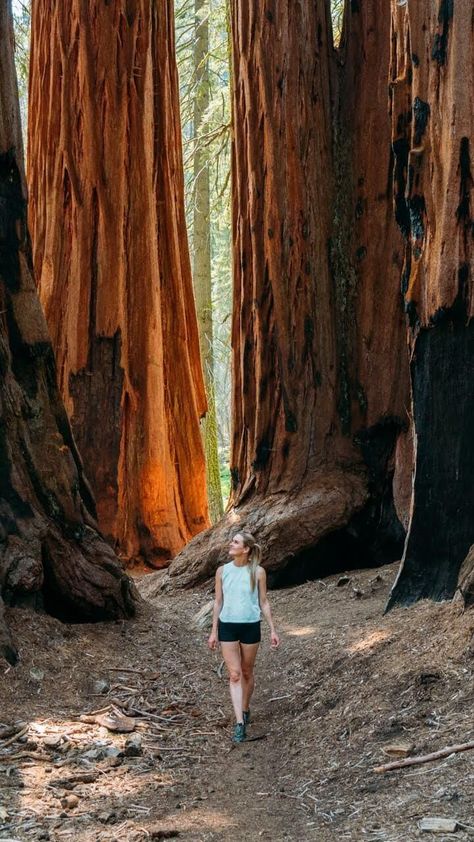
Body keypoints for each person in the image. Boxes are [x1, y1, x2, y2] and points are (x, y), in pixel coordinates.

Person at [207, 530, 280, 743]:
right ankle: (240, 723)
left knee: (247, 671)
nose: (231, 544)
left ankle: (245, 708)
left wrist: (273, 629)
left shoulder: (257, 572)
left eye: (235, 542)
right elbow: (218, 602)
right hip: (227, 626)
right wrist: (214, 631)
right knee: (235, 674)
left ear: (246, 549)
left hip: (250, 626)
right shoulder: (222, 571)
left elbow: (263, 602)